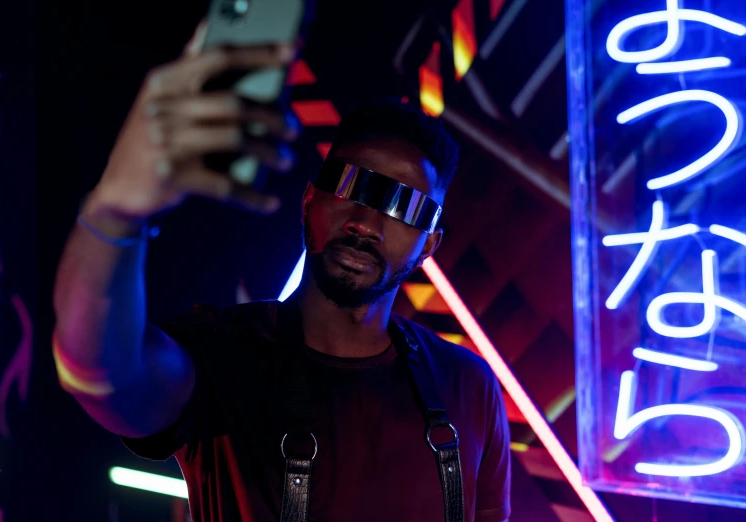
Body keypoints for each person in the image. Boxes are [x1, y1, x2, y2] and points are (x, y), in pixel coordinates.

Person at [52, 22, 510, 522]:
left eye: (404, 208)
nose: (366, 223)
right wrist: (115, 212)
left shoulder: (468, 383)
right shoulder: (224, 357)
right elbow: (100, 371)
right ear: (310, 199)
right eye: (351, 184)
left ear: (430, 245)